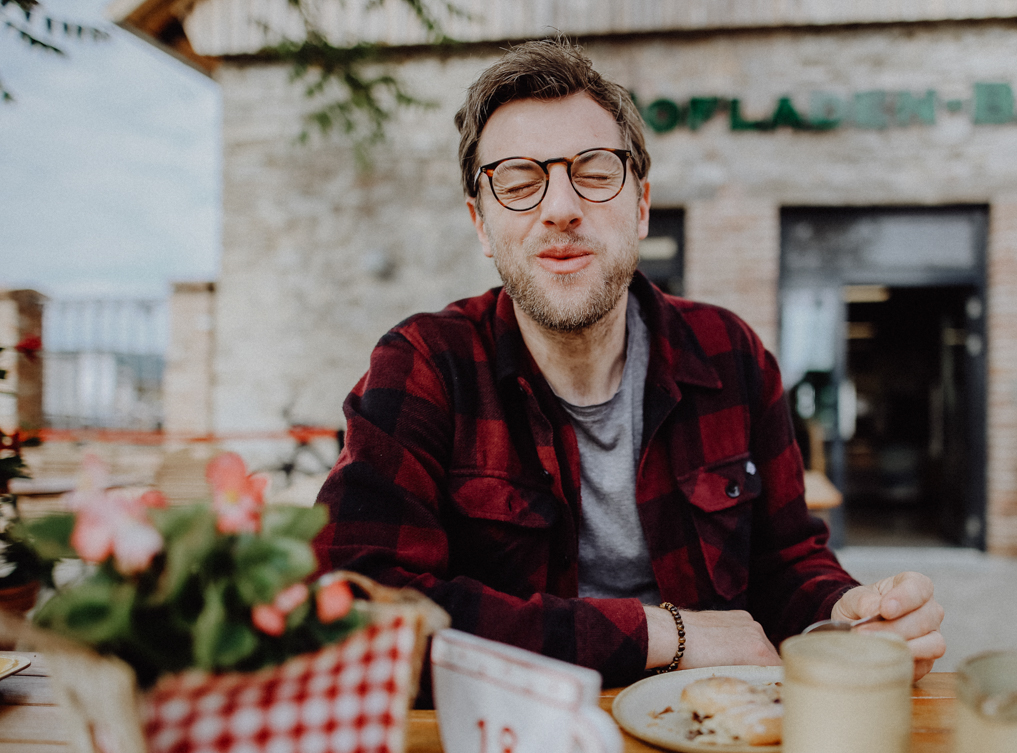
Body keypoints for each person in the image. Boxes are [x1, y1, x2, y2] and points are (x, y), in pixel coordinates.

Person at [313, 38, 945, 687]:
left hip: (715, 736)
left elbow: (786, 561)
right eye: (520, 182)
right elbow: (360, 606)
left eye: (593, 172)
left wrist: (846, 611)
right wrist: (659, 632)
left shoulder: (732, 356)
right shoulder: (423, 367)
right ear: (481, 224)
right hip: (505, 748)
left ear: (640, 206)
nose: (560, 208)